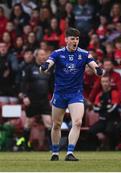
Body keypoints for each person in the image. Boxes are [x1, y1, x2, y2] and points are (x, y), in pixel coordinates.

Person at [40, 27, 104, 161]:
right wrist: (45, 66)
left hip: (75, 94)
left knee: (78, 122)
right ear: (66, 40)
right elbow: (48, 63)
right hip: (60, 94)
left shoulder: (84, 54)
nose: (75, 41)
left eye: (77, 39)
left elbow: (93, 64)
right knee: (56, 124)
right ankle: (55, 152)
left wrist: (98, 70)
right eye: (72, 39)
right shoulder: (57, 53)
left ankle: (70, 152)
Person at [16, 49, 53, 151]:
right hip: (32, 100)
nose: (43, 57)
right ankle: (25, 145)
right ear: (36, 56)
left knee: (48, 122)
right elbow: (23, 84)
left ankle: (51, 147)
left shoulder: (49, 69)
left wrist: (53, 98)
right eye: (41, 55)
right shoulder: (29, 68)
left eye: (44, 55)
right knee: (29, 123)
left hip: (44, 100)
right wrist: (25, 97)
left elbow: (52, 86)